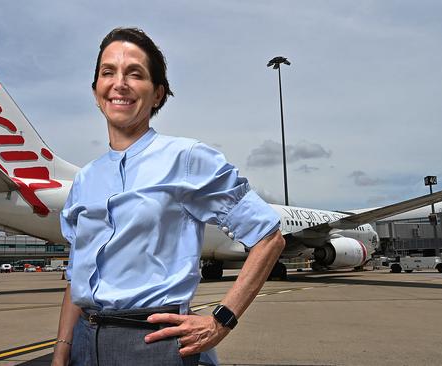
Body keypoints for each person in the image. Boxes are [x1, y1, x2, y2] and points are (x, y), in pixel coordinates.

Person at [51, 27, 285, 366]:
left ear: (158, 94)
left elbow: (269, 237)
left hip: (154, 345)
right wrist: (62, 349)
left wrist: (221, 321)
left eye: (136, 74)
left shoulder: (187, 158)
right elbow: (77, 278)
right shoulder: (85, 179)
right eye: (108, 72)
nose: (120, 83)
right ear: (95, 91)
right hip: (85, 345)